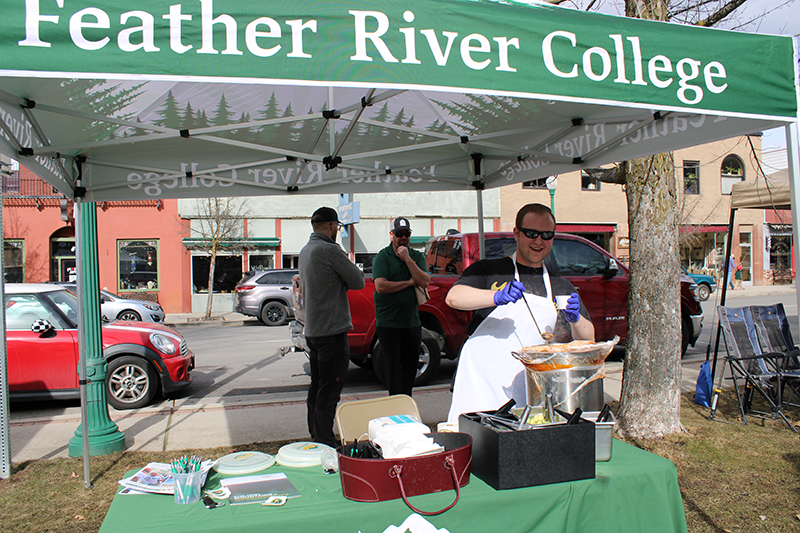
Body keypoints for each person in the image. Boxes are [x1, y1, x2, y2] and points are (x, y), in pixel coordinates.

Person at [445, 203, 594, 424]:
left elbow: (588, 339)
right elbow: (454, 297)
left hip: (529, 393)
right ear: (516, 233)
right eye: (531, 233)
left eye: (546, 235)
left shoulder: (561, 286)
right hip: (479, 388)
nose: (538, 241)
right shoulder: (490, 270)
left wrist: (575, 319)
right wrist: (495, 297)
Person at [298, 207, 365, 447]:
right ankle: (325, 441)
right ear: (332, 226)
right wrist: (343, 281)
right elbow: (358, 281)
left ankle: (316, 434)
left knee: (317, 384)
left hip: (313, 330)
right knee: (330, 387)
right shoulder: (329, 249)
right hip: (331, 331)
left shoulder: (305, 251)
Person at [372, 217, 431, 396]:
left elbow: (424, 281)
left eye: (406, 234)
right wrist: (408, 283)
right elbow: (381, 286)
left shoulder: (416, 256)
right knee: (393, 367)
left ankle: (407, 402)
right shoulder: (383, 257)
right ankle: (395, 403)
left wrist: (407, 259)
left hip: (411, 322)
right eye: (399, 234)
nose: (403, 238)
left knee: (410, 367)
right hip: (388, 323)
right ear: (392, 235)